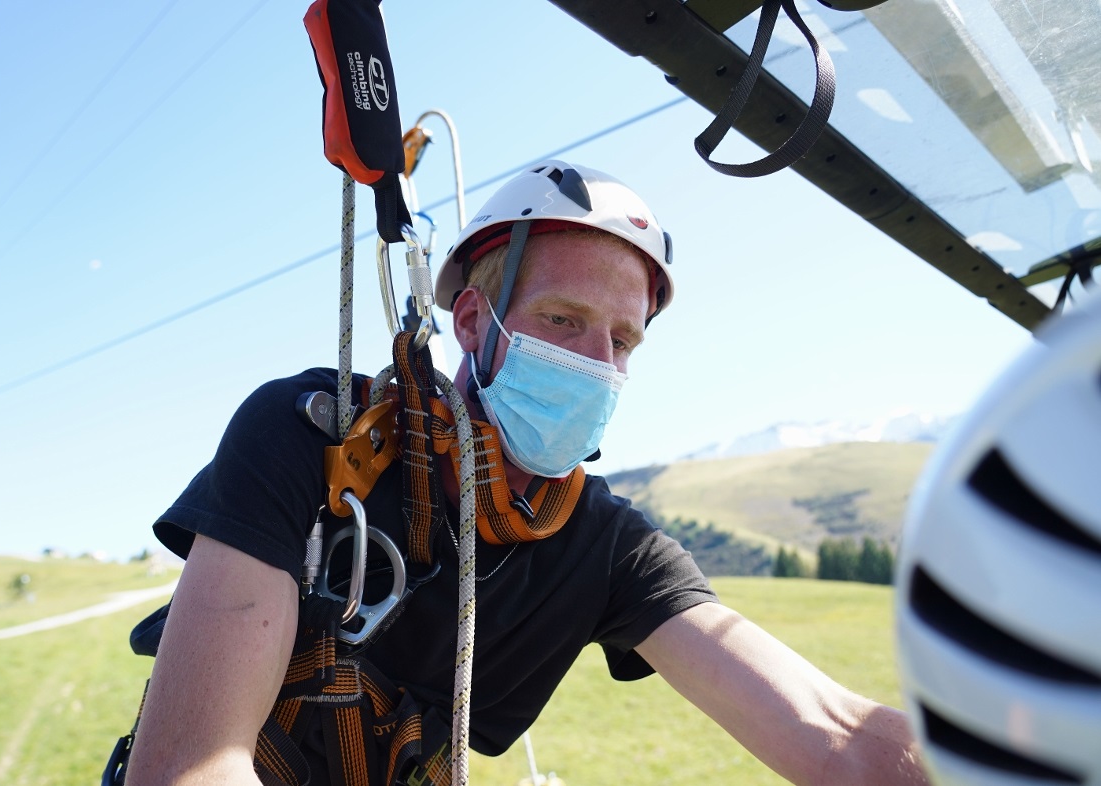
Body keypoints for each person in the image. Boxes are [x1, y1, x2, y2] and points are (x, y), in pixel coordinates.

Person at [123, 160, 930, 786]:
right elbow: (191, 767)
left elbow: (841, 738)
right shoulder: (309, 438)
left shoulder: (605, 548)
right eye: (562, 321)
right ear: (474, 323)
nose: (597, 364)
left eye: (622, 342)